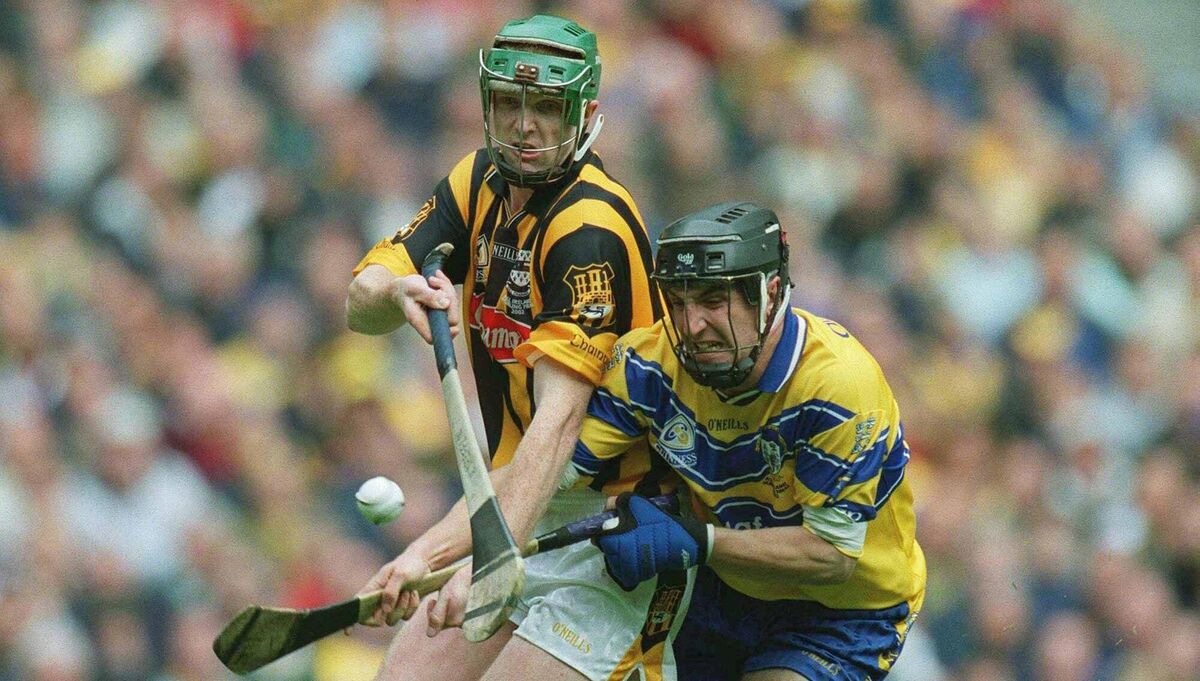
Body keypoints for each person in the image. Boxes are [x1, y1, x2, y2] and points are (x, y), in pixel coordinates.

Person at [347, 14, 689, 681]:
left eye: (547, 107)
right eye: (509, 102)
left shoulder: (588, 228)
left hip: (619, 528)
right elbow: (361, 300)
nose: (523, 125)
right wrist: (393, 294)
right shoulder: (476, 183)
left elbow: (558, 427)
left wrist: (483, 554)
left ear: (585, 116)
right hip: (522, 502)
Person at [569, 201, 928, 680]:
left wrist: (698, 539)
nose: (692, 325)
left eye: (714, 301)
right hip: (724, 591)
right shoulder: (646, 363)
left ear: (770, 294)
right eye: (678, 302)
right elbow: (556, 473)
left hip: (844, 610)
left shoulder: (837, 387)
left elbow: (833, 556)